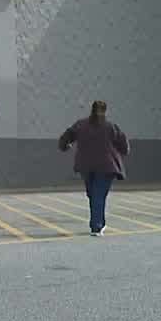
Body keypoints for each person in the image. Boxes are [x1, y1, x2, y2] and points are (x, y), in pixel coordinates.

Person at [58, 100, 130, 236]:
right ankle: (97, 226)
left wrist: (66, 146)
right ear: (106, 111)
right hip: (106, 167)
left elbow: (65, 138)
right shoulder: (111, 127)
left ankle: (97, 224)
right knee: (98, 195)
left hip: (86, 166)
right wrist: (122, 152)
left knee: (93, 194)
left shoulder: (81, 125)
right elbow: (124, 144)